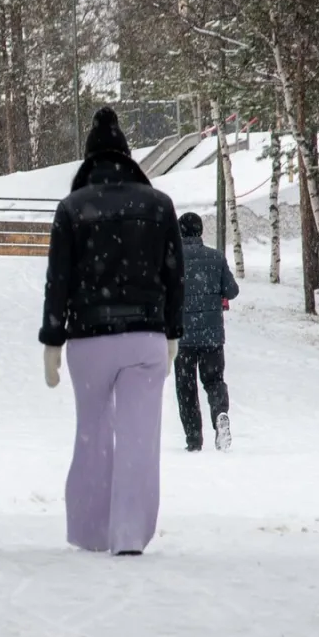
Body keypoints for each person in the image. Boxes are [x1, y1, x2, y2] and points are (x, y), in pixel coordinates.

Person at [40, 107, 185, 557]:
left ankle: (90, 530)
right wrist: (173, 334)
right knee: (140, 437)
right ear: (128, 158)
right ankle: (128, 534)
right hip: (146, 338)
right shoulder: (158, 205)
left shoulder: (71, 208)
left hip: (88, 340)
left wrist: (52, 339)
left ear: (89, 160)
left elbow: (57, 279)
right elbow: (174, 276)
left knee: (94, 433)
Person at [174, 212, 238, 452]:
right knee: (214, 381)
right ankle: (220, 413)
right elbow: (231, 291)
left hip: (182, 338)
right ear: (200, 231)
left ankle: (193, 440)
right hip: (211, 334)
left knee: (186, 386)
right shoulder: (215, 257)